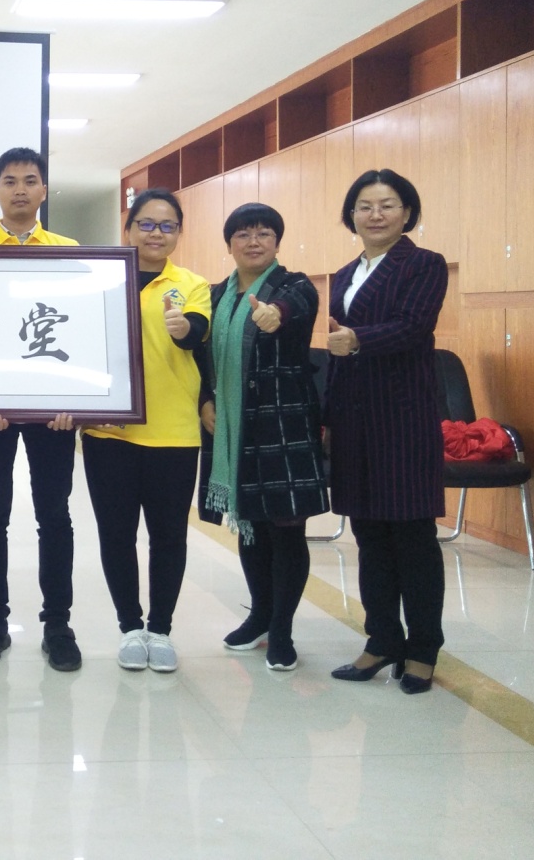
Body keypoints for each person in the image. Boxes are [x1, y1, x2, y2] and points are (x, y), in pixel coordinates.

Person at [325, 169, 448, 695]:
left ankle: (422, 649)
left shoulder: (424, 264)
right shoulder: (342, 274)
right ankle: (381, 640)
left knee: (413, 538)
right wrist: (328, 416)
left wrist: (357, 339)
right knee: (370, 536)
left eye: (388, 205)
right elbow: (336, 351)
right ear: (351, 215)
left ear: (407, 212)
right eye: (365, 206)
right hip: (354, 423)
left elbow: (414, 326)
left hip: (404, 420)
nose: (375, 215)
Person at [0, 147, 81, 672]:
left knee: (55, 514)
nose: (19, 190)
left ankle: (58, 625)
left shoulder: (71, 253)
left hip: (52, 407)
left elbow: (78, 333)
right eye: (9, 181)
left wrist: (74, 404)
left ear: (44, 191)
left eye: (30, 180)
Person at [82, 188, 210, 673]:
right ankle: (130, 627)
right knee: (116, 534)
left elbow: (197, 332)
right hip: (107, 433)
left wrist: (184, 329)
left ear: (179, 233)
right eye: (147, 224)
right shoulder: (98, 280)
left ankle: (160, 628)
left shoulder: (192, 284)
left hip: (173, 432)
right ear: (129, 228)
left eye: (168, 226)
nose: (157, 233)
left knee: (168, 536)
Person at [197, 203, 329, 672]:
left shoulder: (295, 286)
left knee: (286, 528)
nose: (253, 242)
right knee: (251, 523)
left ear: (277, 242)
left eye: (264, 234)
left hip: (280, 425)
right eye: (243, 234)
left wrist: (274, 314)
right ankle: (259, 616)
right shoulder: (216, 295)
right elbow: (202, 358)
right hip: (233, 426)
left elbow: (293, 310)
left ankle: (282, 629)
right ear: (229, 243)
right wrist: (205, 400)